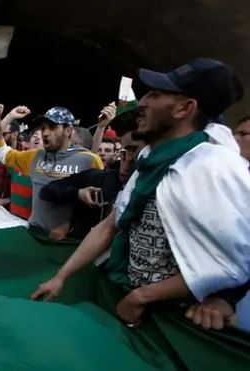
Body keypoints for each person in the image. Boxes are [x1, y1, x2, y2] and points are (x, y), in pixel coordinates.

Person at [32, 58, 250, 330]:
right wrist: (62, 276)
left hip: (175, 324)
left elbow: (231, 264)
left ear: (185, 108)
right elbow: (110, 226)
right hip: (126, 302)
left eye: (155, 95)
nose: (143, 102)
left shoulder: (216, 169)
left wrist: (144, 296)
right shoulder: (149, 159)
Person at [0, 104, 104, 240]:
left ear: (68, 130)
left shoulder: (89, 160)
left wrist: (73, 227)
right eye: (43, 128)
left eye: (52, 127)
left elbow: (98, 206)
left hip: (68, 243)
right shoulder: (34, 156)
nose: (45, 133)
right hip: (34, 234)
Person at [40, 126, 144, 239]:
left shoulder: (154, 192)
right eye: (123, 156)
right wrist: (78, 193)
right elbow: (47, 191)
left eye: (134, 160)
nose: (126, 166)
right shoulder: (98, 178)